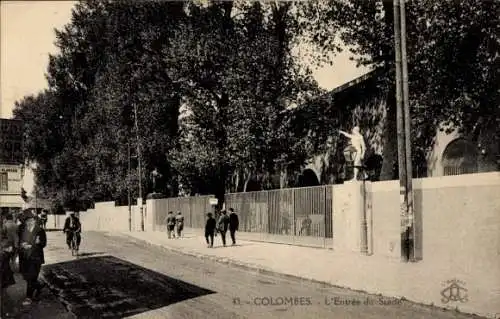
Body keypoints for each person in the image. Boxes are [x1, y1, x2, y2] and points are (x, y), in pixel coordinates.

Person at [18, 212, 47, 306]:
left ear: (34, 220)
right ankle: (39, 286)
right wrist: (22, 244)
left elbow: (43, 244)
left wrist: (38, 243)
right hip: (24, 257)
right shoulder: (21, 229)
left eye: (31, 220)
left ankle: (28, 297)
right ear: (25, 221)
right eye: (27, 220)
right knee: (26, 277)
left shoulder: (40, 230)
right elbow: (18, 240)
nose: (29, 222)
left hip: (36, 257)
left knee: (31, 277)